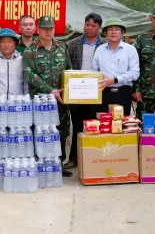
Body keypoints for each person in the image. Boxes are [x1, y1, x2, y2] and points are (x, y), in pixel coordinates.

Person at [22, 15, 72, 173]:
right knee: (42, 132)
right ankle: (42, 164)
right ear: (38, 29)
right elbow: (29, 75)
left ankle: (59, 164)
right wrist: (50, 90)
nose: (48, 31)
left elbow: (69, 71)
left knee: (61, 131)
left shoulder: (62, 48)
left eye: (50, 28)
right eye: (44, 28)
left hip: (61, 101)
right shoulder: (30, 51)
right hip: (41, 102)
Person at [65, 13, 105, 169]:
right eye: (87, 25)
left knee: (95, 125)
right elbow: (68, 67)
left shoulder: (104, 44)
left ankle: (92, 157)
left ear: (99, 28)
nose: (89, 28)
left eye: (93, 25)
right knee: (76, 125)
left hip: (96, 92)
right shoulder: (73, 44)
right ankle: (73, 158)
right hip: (76, 91)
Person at [92, 17, 140, 116]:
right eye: (110, 29)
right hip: (103, 93)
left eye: (117, 29)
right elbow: (94, 72)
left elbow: (135, 73)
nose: (113, 32)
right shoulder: (99, 50)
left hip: (123, 93)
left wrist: (115, 80)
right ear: (105, 33)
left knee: (121, 126)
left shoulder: (130, 50)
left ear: (122, 32)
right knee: (103, 125)